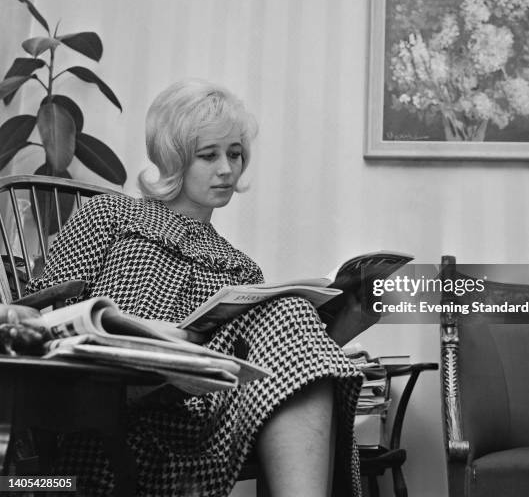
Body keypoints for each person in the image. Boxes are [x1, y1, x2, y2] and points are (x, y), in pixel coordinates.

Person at [26, 78, 366, 497]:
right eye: (209, 155)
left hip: (206, 417)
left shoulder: (241, 268)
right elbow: (46, 316)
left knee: (289, 310)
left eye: (235, 154)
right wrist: (140, 332)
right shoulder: (110, 215)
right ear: (174, 158)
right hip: (113, 401)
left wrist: (345, 325)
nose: (227, 169)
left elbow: (272, 366)